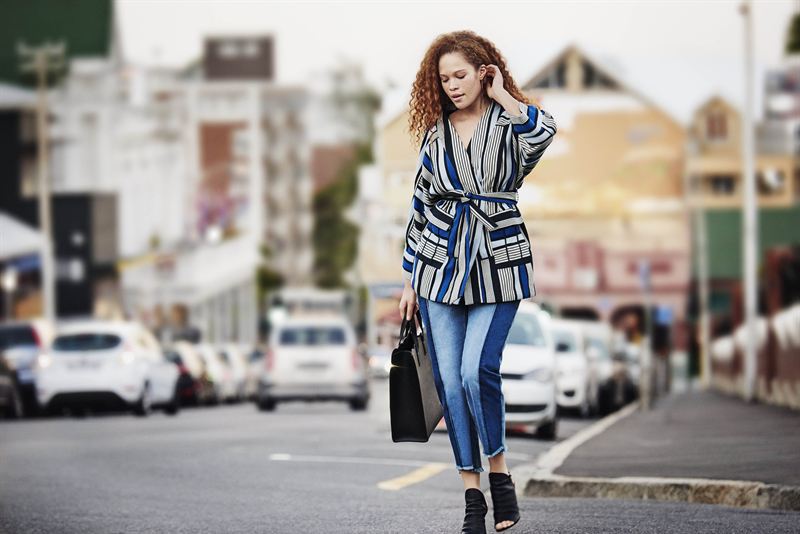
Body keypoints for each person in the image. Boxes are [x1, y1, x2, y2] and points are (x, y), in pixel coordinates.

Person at [398, 30, 557, 533]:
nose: (452, 86)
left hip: (499, 262)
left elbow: (543, 133)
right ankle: (472, 497)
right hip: (438, 267)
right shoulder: (435, 137)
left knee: (475, 371)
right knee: (449, 383)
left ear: (483, 72)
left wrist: (504, 95)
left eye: (461, 75)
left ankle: (500, 475)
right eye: (444, 79)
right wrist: (409, 280)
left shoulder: (510, 123)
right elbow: (420, 208)